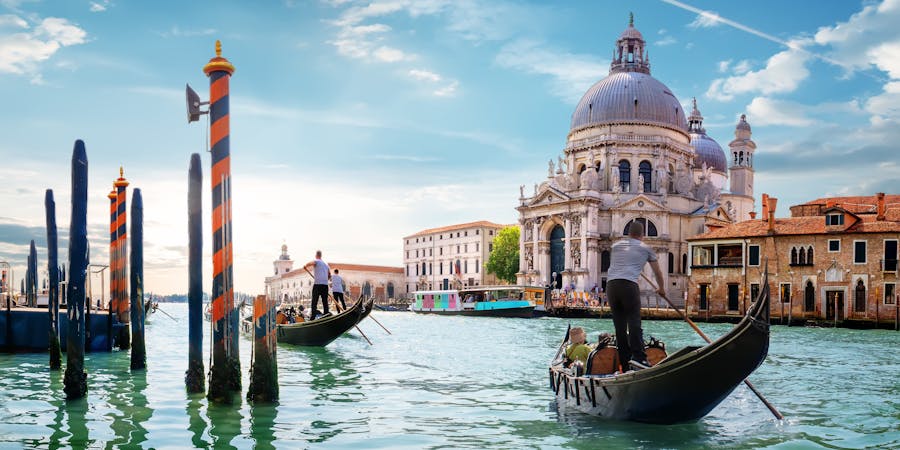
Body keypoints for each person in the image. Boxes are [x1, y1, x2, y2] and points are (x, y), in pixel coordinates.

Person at [607, 223, 667, 371]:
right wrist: (662, 289)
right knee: (634, 322)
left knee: (620, 327)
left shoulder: (615, 246)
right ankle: (639, 357)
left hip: (611, 286)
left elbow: (620, 264)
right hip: (628, 285)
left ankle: (625, 363)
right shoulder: (646, 248)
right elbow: (658, 272)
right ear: (642, 235)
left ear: (628, 233)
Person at [305, 250, 331, 319]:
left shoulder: (316, 261)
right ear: (321, 255)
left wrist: (305, 266)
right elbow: (329, 275)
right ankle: (326, 315)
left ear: (316, 255)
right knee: (325, 301)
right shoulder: (326, 264)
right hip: (325, 285)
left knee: (314, 301)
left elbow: (311, 263)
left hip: (317, 285)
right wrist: (325, 280)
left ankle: (312, 317)